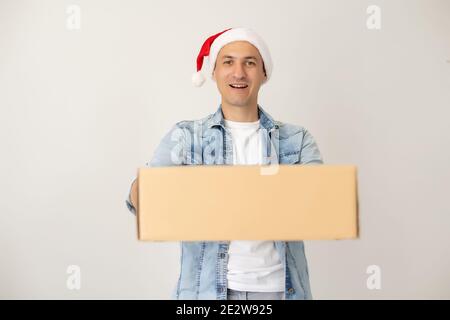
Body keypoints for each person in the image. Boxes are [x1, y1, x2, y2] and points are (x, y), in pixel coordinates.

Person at [125, 27, 323, 300]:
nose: (239, 73)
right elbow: (141, 201)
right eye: (228, 62)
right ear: (214, 72)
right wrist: (150, 188)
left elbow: (322, 207)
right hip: (206, 294)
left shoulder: (297, 140)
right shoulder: (186, 137)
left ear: (264, 73)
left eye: (250, 63)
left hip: (281, 292)